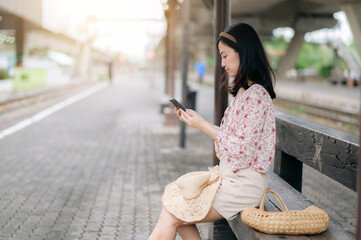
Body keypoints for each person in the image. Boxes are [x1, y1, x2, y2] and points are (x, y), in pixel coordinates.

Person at [149, 23, 276, 240]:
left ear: (243, 52)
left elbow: (242, 150)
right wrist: (199, 122)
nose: (222, 63)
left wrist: (204, 126)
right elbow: (231, 142)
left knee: (173, 211)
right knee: (170, 202)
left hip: (243, 185)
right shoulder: (244, 93)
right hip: (232, 178)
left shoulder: (257, 96)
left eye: (225, 56)